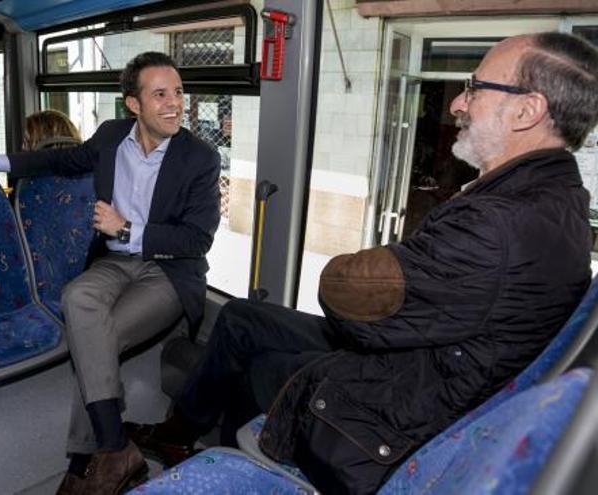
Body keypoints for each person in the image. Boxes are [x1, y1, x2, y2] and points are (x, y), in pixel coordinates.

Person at [126, 32, 598, 495]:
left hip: (400, 406)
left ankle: (253, 463)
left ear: (526, 110)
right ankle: (178, 433)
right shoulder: (555, 198)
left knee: (262, 368)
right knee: (240, 317)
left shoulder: (498, 222)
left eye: (475, 88)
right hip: (423, 357)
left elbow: (344, 291)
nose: (457, 103)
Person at [0, 51, 221, 494]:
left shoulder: (200, 158)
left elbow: (197, 240)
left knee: (96, 335)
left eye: (177, 92)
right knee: (78, 298)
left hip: (168, 272)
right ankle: (115, 447)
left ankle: (86, 459)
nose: (174, 102)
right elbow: (62, 161)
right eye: (160, 94)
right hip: (116, 261)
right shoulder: (111, 136)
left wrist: (130, 229)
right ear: (133, 105)